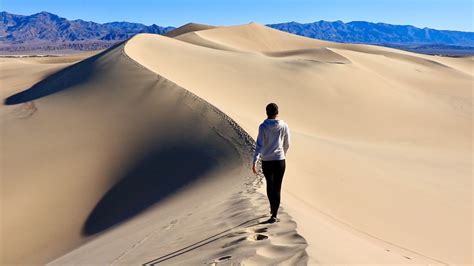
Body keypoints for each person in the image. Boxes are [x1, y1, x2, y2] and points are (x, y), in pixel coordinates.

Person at [252, 103, 290, 224]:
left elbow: (259, 145)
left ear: (266, 113)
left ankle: (272, 210)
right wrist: (283, 154)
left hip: (267, 161)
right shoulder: (284, 125)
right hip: (280, 161)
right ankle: (274, 213)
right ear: (277, 113)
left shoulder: (263, 127)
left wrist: (255, 161)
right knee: (278, 187)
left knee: (270, 185)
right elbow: (287, 143)